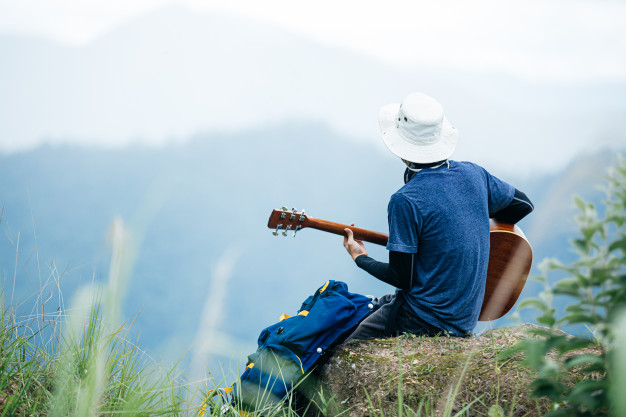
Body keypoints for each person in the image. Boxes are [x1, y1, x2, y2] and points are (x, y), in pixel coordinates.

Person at [342, 92, 533, 340]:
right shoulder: (474, 174)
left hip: (421, 319)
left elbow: (402, 278)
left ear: (402, 147)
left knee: (345, 349)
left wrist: (359, 257)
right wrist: (464, 229)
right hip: (464, 320)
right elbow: (522, 205)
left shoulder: (406, 200)